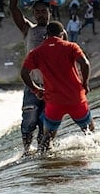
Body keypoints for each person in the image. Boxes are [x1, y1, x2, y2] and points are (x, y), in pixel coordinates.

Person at [21, 21, 94, 152]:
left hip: (54, 102)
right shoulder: (71, 47)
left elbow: (24, 72)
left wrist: (35, 89)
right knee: (90, 133)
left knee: (47, 139)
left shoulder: (37, 52)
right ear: (62, 33)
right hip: (76, 98)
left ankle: (42, 165)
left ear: (46, 35)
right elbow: (85, 64)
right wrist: (85, 83)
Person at [9, 0, 50, 152]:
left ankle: (43, 152)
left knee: (45, 123)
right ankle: (26, 150)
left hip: (51, 86)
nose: (41, 15)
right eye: (37, 12)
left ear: (49, 13)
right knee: (29, 121)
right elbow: (13, 9)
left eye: (44, 12)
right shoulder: (29, 30)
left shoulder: (58, 32)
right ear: (33, 14)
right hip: (31, 85)